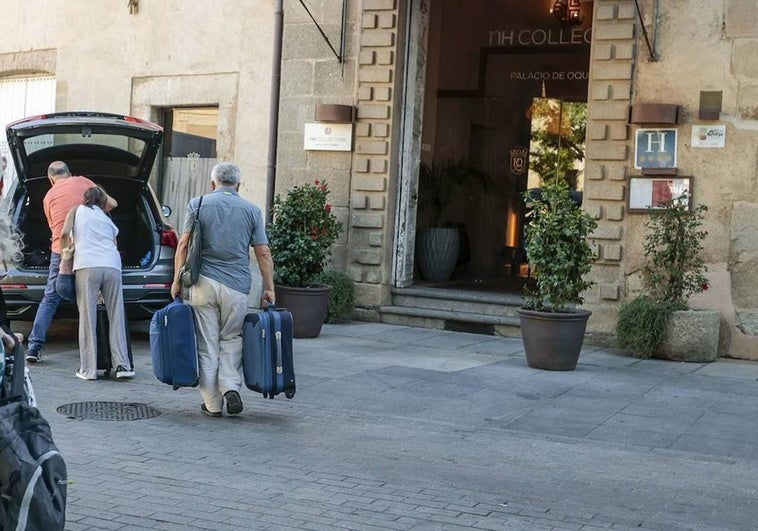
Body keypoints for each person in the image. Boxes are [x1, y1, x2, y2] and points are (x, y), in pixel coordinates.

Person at [171, 162, 275, 417]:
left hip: (203, 283)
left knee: (207, 344)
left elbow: (184, 244)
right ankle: (230, 387)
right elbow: (262, 251)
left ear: (212, 184)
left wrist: (176, 279)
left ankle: (213, 405)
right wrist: (269, 288)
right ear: (238, 185)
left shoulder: (197, 204)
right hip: (237, 287)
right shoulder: (251, 210)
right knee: (231, 338)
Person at [26, 161, 116, 363]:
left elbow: (54, 230)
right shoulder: (83, 181)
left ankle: (34, 347)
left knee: (50, 297)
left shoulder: (48, 196)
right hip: (89, 249)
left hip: (61, 250)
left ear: (51, 179)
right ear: (70, 173)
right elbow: (110, 204)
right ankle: (99, 348)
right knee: (91, 296)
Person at [61, 186, 133, 380]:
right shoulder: (106, 218)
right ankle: (123, 365)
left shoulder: (76, 211)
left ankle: (89, 369)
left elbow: (64, 234)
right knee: (116, 315)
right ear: (103, 202)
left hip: (87, 265)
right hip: (112, 266)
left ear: (84, 199)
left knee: (87, 317)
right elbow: (114, 245)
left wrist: (65, 254)